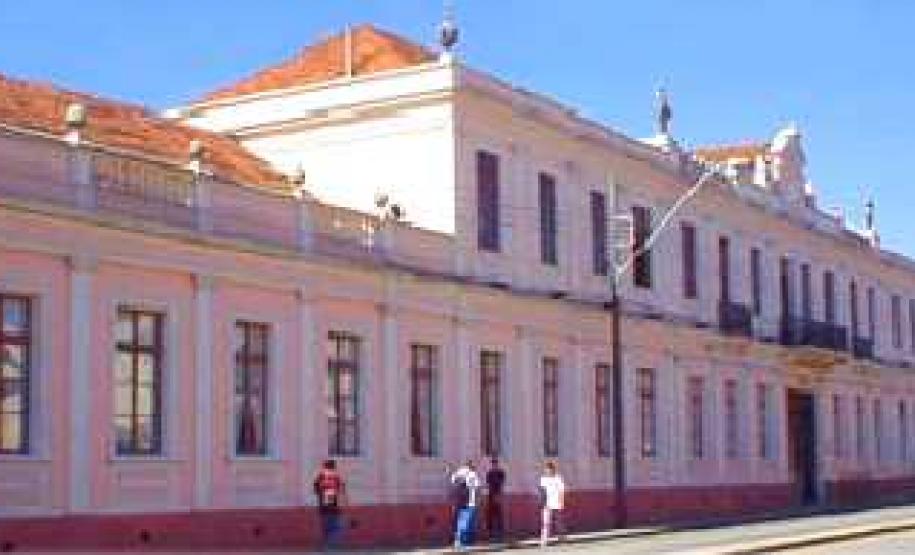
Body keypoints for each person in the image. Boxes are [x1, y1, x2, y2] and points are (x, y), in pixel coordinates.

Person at [313, 459, 346, 550]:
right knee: (337, 528)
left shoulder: (320, 477)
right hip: (333, 508)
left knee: (326, 529)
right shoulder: (334, 477)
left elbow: (316, 490)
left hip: (323, 508)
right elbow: (340, 490)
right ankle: (328, 546)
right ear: (333, 467)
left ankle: (325, 546)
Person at [449, 459, 481, 549]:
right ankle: (462, 542)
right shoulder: (472, 474)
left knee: (458, 520)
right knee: (466, 521)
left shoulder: (458, 472)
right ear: (471, 466)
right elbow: (477, 488)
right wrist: (478, 500)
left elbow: (453, 483)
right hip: (469, 501)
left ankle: (459, 540)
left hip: (457, 500)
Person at [538, 460, 565, 547]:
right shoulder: (543, 479)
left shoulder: (558, 478)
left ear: (553, 469)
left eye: (550, 469)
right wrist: (541, 502)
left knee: (558, 522)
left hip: (556, 502)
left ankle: (560, 537)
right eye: (547, 469)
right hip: (547, 503)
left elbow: (561, 490)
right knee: (545, 522)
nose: (548, 471)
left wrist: (561, 501)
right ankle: (544, 540)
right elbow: (542, 491)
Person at [485, 457, 506, 541]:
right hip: (491, 495)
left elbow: (501, 483)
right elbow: (488, 484)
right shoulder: (489, 473)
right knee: (489, 514)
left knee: (498, 514)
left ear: (497, 464)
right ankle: (490, 533)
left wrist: (498, 495)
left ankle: (500, 533)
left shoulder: (501, 473)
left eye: (495, 464)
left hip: (497, 495)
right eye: (493, 464)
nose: (494, 465)